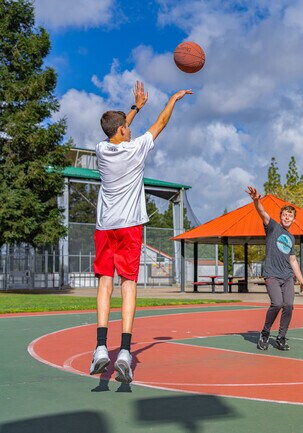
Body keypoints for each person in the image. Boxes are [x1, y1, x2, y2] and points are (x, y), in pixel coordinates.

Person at [89, 82, 192, 383]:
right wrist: (173, 99)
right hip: (129, 226)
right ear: (121, 131)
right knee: (129, 285)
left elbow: (117, 130)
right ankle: (123, 352)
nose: (130, 130)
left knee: (105, 283)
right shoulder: (137, 149)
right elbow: (161, 123)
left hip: (104, 227)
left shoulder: (101, 149)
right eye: (127, 127)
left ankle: (99, 348)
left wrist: (134, 108)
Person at [246, 186, 303, 351]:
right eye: (285, 214)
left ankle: (281, 337)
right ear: (280, 217)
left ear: (294, 219)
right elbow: (263, 213)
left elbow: (293, 260)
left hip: (287, 276)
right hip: (272, 275)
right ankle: (265, 333)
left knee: (288, 305)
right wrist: (256, 200)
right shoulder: (273, 227)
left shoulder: (291, 238)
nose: (287, 217)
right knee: (277, 303)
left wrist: (302, 281)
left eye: (290, 216)